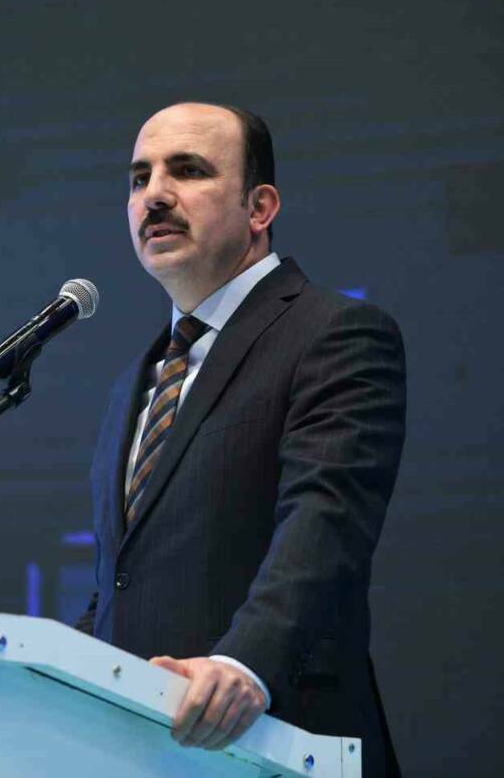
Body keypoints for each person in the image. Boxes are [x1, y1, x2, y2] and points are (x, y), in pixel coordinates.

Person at [75, 102, 405, 777]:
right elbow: (121, 584)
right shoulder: (135, 382)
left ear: (260, 208)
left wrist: (243, 663)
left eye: (188, 171)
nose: (155, 195)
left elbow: (325, 522)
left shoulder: (334, 334)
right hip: (143, 755)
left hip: (279, 743)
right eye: (139, 178)